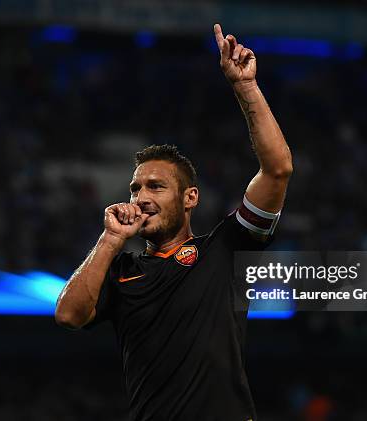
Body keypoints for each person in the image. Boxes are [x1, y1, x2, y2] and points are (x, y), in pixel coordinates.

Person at [55, 23, 293, 421]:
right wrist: (111, 240)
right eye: (135, 189)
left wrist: (245, 87)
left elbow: (278, 170)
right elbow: (68, 315)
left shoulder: (226, 250)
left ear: (190, 199)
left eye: (155, 187)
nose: (141, 198)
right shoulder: (120, 271)